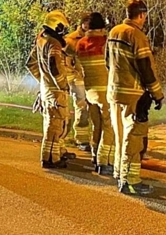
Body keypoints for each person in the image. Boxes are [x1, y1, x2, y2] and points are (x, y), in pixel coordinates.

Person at [107, 0, 164, 195]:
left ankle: (119, 172)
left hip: (114, 92)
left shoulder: (114, 31)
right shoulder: (137, 35)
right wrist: (157, 94)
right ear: (141, 15)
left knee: (120, 134)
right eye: (145, 16)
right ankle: (130, 181)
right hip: (133, 95)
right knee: (134, 137)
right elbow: (145, 68)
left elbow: (108, 62)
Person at [27, 10, 77, 169]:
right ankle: (51, 159)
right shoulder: (54, 44)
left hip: (46, 90)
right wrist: (62, 85)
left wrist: (43, 80)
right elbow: (55, 67)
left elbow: (31, 64)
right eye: (62, 28)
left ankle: (55, 154)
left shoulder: (41, 40)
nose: (64, 32)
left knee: (52, 124)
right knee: (55, 126)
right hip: (56, 92)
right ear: (56, 26)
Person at [76, 12, 115, 175]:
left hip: (89, 91)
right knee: (109, 125)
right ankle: (104, 161)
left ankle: (94, 154)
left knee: (96, 125)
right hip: (105, 91)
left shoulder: (81, 43)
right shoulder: (105, 42)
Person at [64, 14, 92, 152]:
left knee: (94, 109)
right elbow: (66, 62)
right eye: (85, 23)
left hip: (92, 80)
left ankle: (93, 138)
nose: (87, 26)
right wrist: (72, 79)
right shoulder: (71, 40)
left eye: (89, 23)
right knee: (82, 108)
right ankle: (82, 139)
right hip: (78, 79)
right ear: (81, 24)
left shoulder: (96, 38)